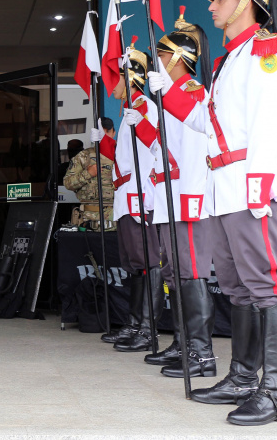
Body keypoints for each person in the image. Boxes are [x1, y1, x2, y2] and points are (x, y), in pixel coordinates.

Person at [149, 0, 277, 426]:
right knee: (237, 289)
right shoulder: (232, 59)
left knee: (266, 286)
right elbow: (206, 125)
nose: (212, 6)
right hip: (224, 188)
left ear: (248, 1)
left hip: (250, 186)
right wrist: (168, 91)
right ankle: (243, 378)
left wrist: (257, 189)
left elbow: (269, 123)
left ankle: (274, 394)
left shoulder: (266, 52)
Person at [131, 9, 215, 377]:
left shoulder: (192, 93)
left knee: (190, 275)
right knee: (173, 274)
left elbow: (195, 153)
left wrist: (191, 199)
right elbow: (163, 150)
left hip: (186, 197)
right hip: (169, 197)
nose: (156, 62)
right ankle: (183, 343)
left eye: (162, 55)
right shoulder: (170, 97)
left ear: (179, 58)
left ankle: (201, 353)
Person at [93, 39, 163, 352]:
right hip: (125, 195)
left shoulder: (145, 107)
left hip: (139, 196)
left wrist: (142, 124)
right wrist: (104, 142)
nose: (112, 85)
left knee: (147, 262)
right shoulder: (130, 112)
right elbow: (125, 156)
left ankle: (148, 329)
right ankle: (135, 324)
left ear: (131, 77)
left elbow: (157, 144)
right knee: (134, 263)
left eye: (117, 77)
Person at [62, 118, 115, 231]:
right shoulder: (84, 156)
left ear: (114, 133)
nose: (104, 135)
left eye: (107, 132)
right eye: (101, 132)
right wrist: (88, 174)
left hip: (117, 220)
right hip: (89, 220)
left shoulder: (122, 155)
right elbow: (68, 183)